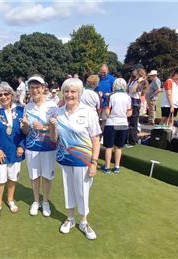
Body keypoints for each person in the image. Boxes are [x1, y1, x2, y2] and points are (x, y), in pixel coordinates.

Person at [49, 78, 101, 240]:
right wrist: (51, 126)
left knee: (82, 191)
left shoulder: (88, 112)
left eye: (73, 91)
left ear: (79, 93)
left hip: (83, 161)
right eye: (66, 91)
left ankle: (84, 222)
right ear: (62, 93)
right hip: (65, 159)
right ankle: (70, 219)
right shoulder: (58, 112)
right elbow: (53, 139)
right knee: (68, 189)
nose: (69, 94)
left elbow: (96, 140)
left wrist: (94, 163)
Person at [0, 82, 26, 220]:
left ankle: (10, 200)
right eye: (0, 94)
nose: (3, 97)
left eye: (6, 94)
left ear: (11, 95)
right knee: (0, 180)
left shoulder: (20, 111)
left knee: (13, 178)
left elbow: (25, 133)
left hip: (15, 152)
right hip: (0, 153)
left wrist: (21, 146)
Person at [20, 74, 57, 217]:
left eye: (37, 87)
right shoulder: (27, 107)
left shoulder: (52, 106)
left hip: (48, 147)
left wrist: (43, 127)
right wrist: (24, 126)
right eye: (32, 88)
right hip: (31, 147)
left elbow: (57, 127)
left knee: (47, 176)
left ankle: (45, 201)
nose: (34, 90)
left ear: (43, 88)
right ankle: (36, 201)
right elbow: (26, 131)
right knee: (34, 176)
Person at [102, 78, 132, 174]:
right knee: (118, 147)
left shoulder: (111, 96)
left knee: (109, 147)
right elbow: (129, 113)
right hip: (123, 123)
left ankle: (107, 167)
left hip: (111, 122)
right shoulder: (128, 97)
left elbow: (107, 112)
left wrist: (112, 115)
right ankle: (117, 166)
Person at [127, 68, 149, 145]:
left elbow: (134, 90)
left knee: (133, 122)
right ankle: (127, 138)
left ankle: (132, 141)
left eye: (135, 70)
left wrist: (138, 82)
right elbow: (127, 90)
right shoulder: (132, 80)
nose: (133, 72)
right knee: (128, 121)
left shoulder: (142, 82)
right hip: (129, 102)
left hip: (135, 103)